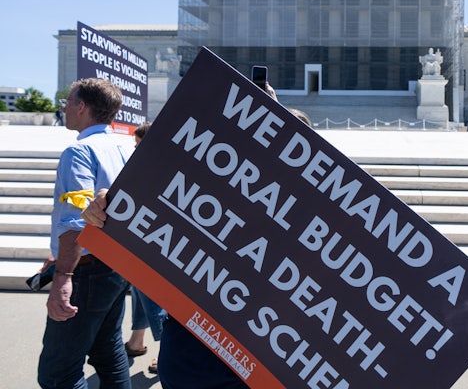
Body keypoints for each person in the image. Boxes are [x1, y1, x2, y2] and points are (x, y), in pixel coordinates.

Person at [82, 85, 313, 388]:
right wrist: (107, 207)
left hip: (263, 367)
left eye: (295, 145)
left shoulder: (319, 230)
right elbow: (138, 215)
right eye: (274, 138)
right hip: (191, 357)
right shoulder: (205, 195)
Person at [38, 78, 133, 389]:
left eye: (69, 100)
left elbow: (76, 219)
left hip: (86, 272)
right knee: (108, 351)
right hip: (118, 266)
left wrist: (64, 274)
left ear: (82, 107)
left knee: (58, 373)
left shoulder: (78, 152)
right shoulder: (125, 146)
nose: (63, 107)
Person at [124, 122, 167, 375]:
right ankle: (137, 340)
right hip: (140, 241)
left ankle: (166, 353)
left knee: (152, 298)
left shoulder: (157, 167)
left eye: (138, 144)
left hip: (152, 245)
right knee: (139, 289)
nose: (135, 149)